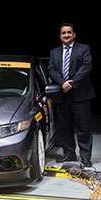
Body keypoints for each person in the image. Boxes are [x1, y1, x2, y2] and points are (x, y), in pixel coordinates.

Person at [48, 23, 95, 167]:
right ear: (60, 36)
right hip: (62, 95)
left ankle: (85, 157)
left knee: (83, 128)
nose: (66, 35)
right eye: (63, 33)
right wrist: (63, 83)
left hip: (80, 95)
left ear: (74, 34)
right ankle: (69, 154)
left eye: (69, 32)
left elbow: (86, 68)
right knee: (65, 127)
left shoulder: (84, 48)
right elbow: (51, 70)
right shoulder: (54, 52)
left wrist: (72, 84)